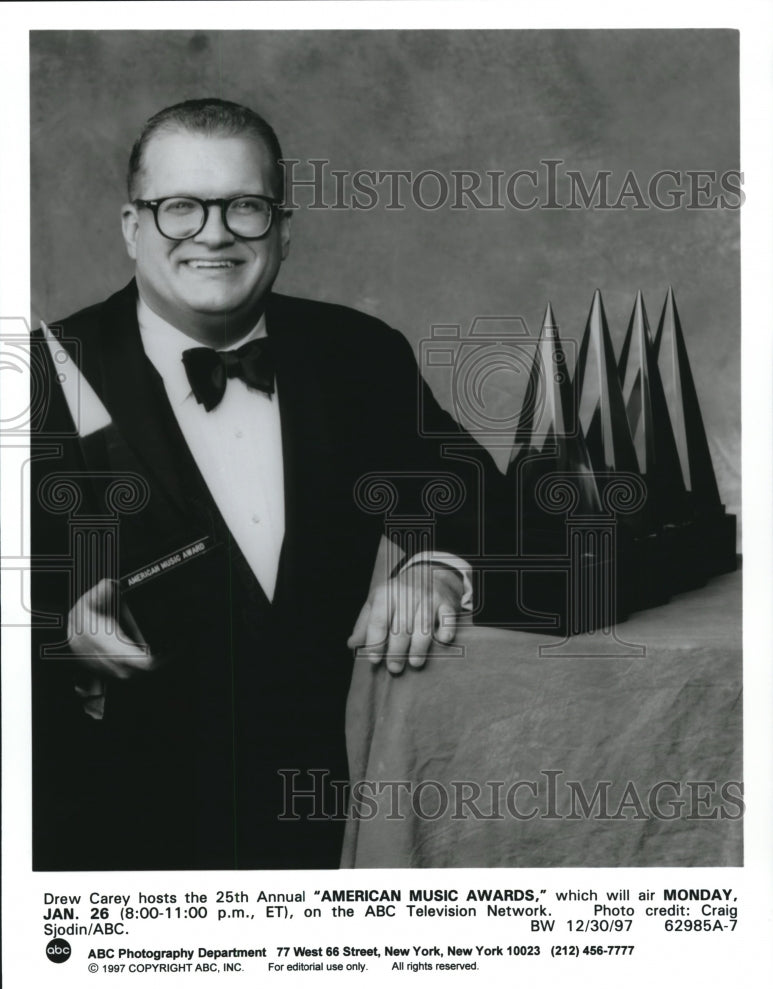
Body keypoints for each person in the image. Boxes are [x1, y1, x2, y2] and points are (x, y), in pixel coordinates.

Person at [31, 98, 496, 871]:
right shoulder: (33, 376)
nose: (212, 233)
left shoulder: (357, 357)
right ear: (131, 226)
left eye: (243, 206)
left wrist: (434, 569)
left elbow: (503, 514)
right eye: (179, 206)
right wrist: (57, 635)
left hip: (324, 819)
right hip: (108, 837)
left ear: (281, 227)